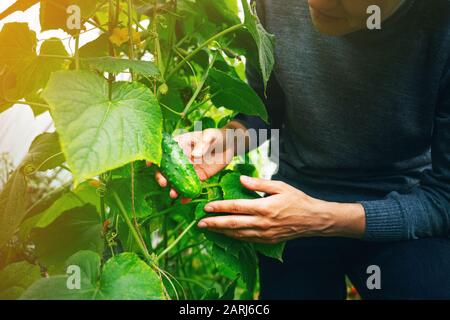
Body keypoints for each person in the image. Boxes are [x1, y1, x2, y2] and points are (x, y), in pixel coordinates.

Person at [153, 0, 450, 299]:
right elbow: (268, 106)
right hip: (289, 208)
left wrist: (320, 217)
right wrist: (228, 140)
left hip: (402, 210)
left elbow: (444, 199)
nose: (314, 2)